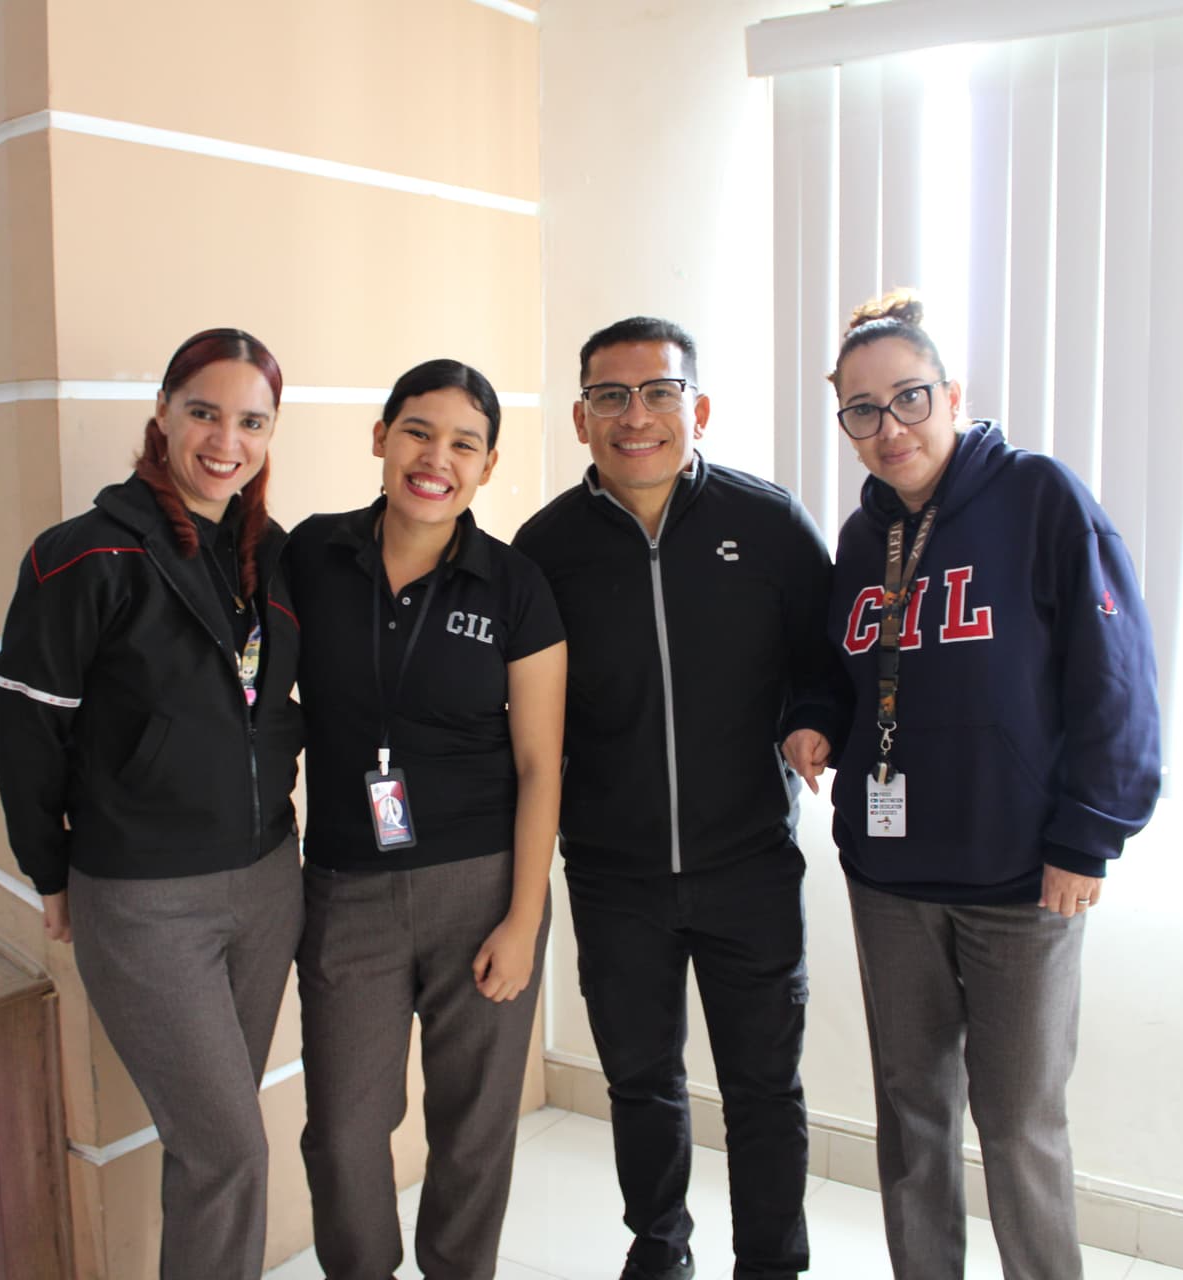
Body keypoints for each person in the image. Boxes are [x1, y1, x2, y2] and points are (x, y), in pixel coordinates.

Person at [824, 289, 1161, 1278]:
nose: (889, 427)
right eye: (862, 409)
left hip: (1021, 878)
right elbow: (834, 669)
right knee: (912, 1112)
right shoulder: (861, 537)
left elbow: (1118, 675)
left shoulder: (1040, 497)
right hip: (890, 874)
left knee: (1018, 1125)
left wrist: (1087, 836)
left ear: (953, 393)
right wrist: (807, 717)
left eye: (910, 398)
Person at [514, 318, 848, 1280]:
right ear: (582, 418)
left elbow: (822, 668)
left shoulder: (771, 526)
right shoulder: (545, 550)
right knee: (642, 1084)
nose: (635, 416)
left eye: (658, 393)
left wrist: (809, 721)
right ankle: (659, 1253)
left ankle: (771, 1265)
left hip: (748, 863)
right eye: (610, 396)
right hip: (615, 877)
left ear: (696, 409)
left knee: (763, 1091)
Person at [0, 328, 303, 1280]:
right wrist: (49, 873)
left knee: (214, 1143)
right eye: (204, 411)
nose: (225, 441)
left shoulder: (273, 561)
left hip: (266, 885)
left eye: (251, 421)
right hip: (145, 898)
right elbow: (23, 731)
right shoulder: (81, 558)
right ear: (161, 415)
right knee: (230, 1152)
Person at [284, 358, 567, 1280]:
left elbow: (539, 764)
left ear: (486, 467)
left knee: (473, 1130)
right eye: (417, 431)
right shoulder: (310, 558)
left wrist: (524, 919)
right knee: (342, 1132)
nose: (435, 458)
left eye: (463, 444)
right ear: (379, 437)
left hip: (480, 889)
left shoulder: (514, 585)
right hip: (344, 891)